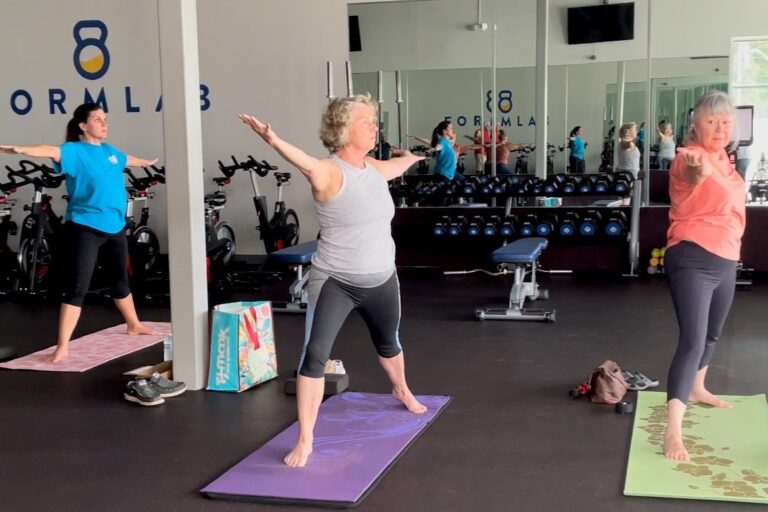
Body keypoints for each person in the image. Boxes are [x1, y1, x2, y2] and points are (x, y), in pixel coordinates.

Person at [238, 95, 427, 468]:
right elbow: (305, 163)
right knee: (314, 355)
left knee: (390, 343)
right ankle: (305, 439)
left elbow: (396, 167)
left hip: (382, 278)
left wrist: (414, 157)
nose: (374, 127)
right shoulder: (328, 171)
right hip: (335, 281)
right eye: (366, 122)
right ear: (343, 130)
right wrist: (272, 140)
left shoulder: (372, 167)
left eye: (374, 121)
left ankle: (401, 388)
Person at [0, 103, 159, 363]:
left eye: (105, 119)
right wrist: (20, 149)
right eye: (97, 119)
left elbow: (125, 159)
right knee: (78, 287)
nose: (104, 123)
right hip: (86, 227)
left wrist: (144, 162)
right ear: (83, 126)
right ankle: (62, 346)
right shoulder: (74, 151)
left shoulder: (109, 152)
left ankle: (133, 324)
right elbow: (49, 150)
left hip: (115, 226)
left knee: (121, 280)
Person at [663, 90, 745, 462]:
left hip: (727, 258)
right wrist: (697, 168)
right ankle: (673, 432)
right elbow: (693, 174)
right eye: (711, 121)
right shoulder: (687, 158)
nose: (719, 127)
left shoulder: (727, 162)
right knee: (693, 340)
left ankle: (698, 387)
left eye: (726, 121)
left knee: (713, 334)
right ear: (695, 124)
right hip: (693, 256)